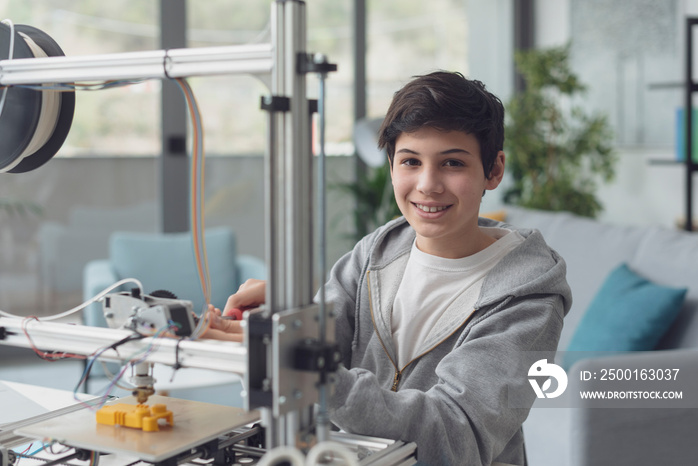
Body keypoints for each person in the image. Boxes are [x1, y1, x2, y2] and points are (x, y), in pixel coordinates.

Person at [204, 71, 572, 465]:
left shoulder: (529, 297)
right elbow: (323, 339)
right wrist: (280, 319)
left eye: (452, 163)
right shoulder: (376, 252)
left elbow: (456, 435)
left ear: (493, 170)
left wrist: (300, 366)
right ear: (392, 168)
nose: (428, 184)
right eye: (410, 161)